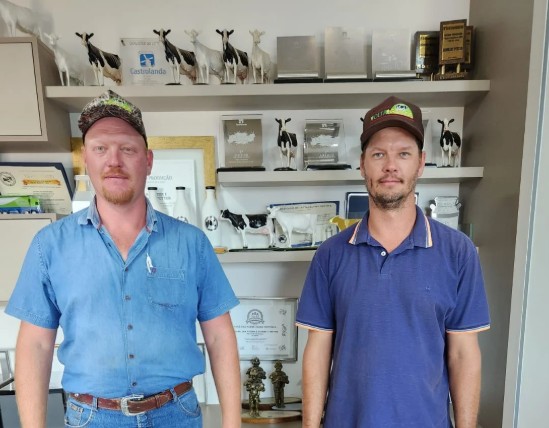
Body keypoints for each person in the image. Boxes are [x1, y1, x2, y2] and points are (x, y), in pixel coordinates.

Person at [6, 90, 242, 428]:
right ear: (85, 159)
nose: (114, 160)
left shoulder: (192, 243)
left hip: (177, 415)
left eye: (127, 149)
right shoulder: (50, 245)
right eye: (100, 148)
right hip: (91, 418)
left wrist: (232, 424)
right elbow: (35, 346)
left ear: (148, 160)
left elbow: (219, 337)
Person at [296, 96, 490, 428]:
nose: (390, 166)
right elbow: (317, 352)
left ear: (421, 163)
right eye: (378, 154)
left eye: (403, 153)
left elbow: (463, 355)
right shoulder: (330, 254)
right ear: (362, 164)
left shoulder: (459, 252)